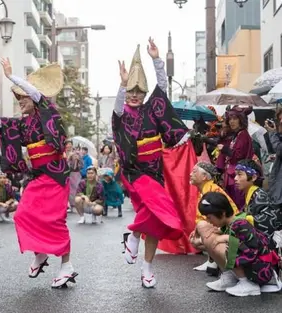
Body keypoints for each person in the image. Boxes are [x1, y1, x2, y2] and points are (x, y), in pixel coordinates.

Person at [0, 59, 77, 288]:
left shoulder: (48, 111)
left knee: (55, 221)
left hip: (56, 176)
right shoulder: (23, 125)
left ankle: (66, 266)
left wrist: (10, 76)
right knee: (22, 215)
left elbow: (36, 94)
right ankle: (40, 254)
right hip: (38, 177)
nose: (19, 102)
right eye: (16, 98)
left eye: (21, 98)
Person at [113, 38, 190, 288]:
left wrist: (157, 60)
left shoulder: (152, 110)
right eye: (131, 92)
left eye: (138, 92)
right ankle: (135, 236)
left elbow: (163, 87)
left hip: (155, 172)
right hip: (135, 172)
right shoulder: (122, 114)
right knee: (159, 210)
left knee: (156, 219)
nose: (134, 96)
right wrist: (122, 85)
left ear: (145, 94)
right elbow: (118, 104)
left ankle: (146, 267)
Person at [194, 192, 280, 296]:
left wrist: (228, 238)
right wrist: (200, 241)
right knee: (218, 241)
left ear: (223, 213)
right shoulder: (229, 224)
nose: (208, 221)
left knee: (229, 246)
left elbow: (253, 248)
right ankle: (231, 278)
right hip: (255, 267)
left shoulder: (240, 224)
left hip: (261, 271)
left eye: (209, 217)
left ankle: (248, 285)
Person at [189, 161, 239, 275]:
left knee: (200, 234)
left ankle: (216, 263)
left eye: (194, 171)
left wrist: (199, 232)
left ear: (204, 177)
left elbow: (214, 220)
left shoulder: (210, 189)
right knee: (197, 237)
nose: (190, 174)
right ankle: (212, 260)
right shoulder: (207, 188)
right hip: (224, 227)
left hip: (229, 229)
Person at [234, 159, 282, 243]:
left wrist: (242, 219)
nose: (235, 178)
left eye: (239, 174)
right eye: (235, 175)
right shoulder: (250, 193)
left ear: (253, 177)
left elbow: (268, 221)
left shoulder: (260, 196)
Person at [218, 106, 254, 209]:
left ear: (241, 120)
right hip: (231, 174)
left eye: (235, 119)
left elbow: (239, 155)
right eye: (230, 119)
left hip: (237, 175)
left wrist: (225, 149)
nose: (231, 122)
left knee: (238, 204)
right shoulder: (235, 134)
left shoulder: (243, 135)